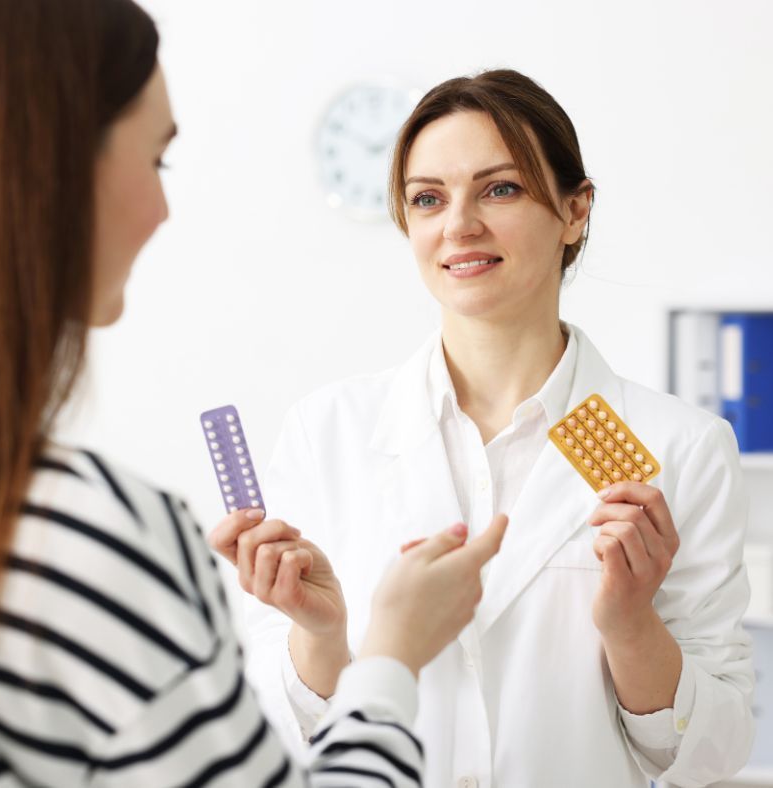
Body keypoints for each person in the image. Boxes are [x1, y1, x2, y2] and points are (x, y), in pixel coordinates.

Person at [0, 1, 509, 786]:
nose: (162, 210)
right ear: (47, 171)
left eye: (499, 191)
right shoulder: (93, 539)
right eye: (157, 161)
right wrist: (389, 657)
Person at [216, 69, 755, 787]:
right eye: (427, 198)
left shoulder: (681, 447)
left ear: (575, 211)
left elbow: (713, 756)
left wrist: (631, 624)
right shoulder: (328, 433)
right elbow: (280, 741)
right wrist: (321, 635)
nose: (458, 225)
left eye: (499, 188)